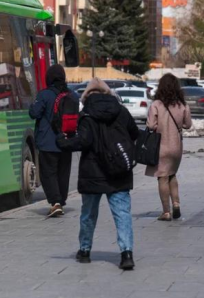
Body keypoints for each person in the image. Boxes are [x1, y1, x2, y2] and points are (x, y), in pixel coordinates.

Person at [56, 78, 138, 270]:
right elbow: (134, 133)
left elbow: (83, 141)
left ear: (86, 97)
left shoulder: (86, 115)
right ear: (108, 93)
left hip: (93, 172)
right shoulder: (122, 111)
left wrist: (63, 142)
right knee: (122, 214)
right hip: (119, 171)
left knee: (88, 214)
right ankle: (126, 254)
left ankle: (84, 250)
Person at [29, 64, 78, 217]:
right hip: (66, 141)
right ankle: (61, 201)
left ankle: (55, 202)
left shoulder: (44, 95)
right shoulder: (72, 95)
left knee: (48, 173)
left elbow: (34, 113)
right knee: (63, 173)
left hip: (47, 142)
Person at [146, 73, 192, 221]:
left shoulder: (156, 105)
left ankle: (166, 212)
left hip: (161, 147)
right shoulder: (182, 105)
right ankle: (176, 204)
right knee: (172, 175)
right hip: (177, 147)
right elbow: (188, 124)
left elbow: (151, 125)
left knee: (162, 177)